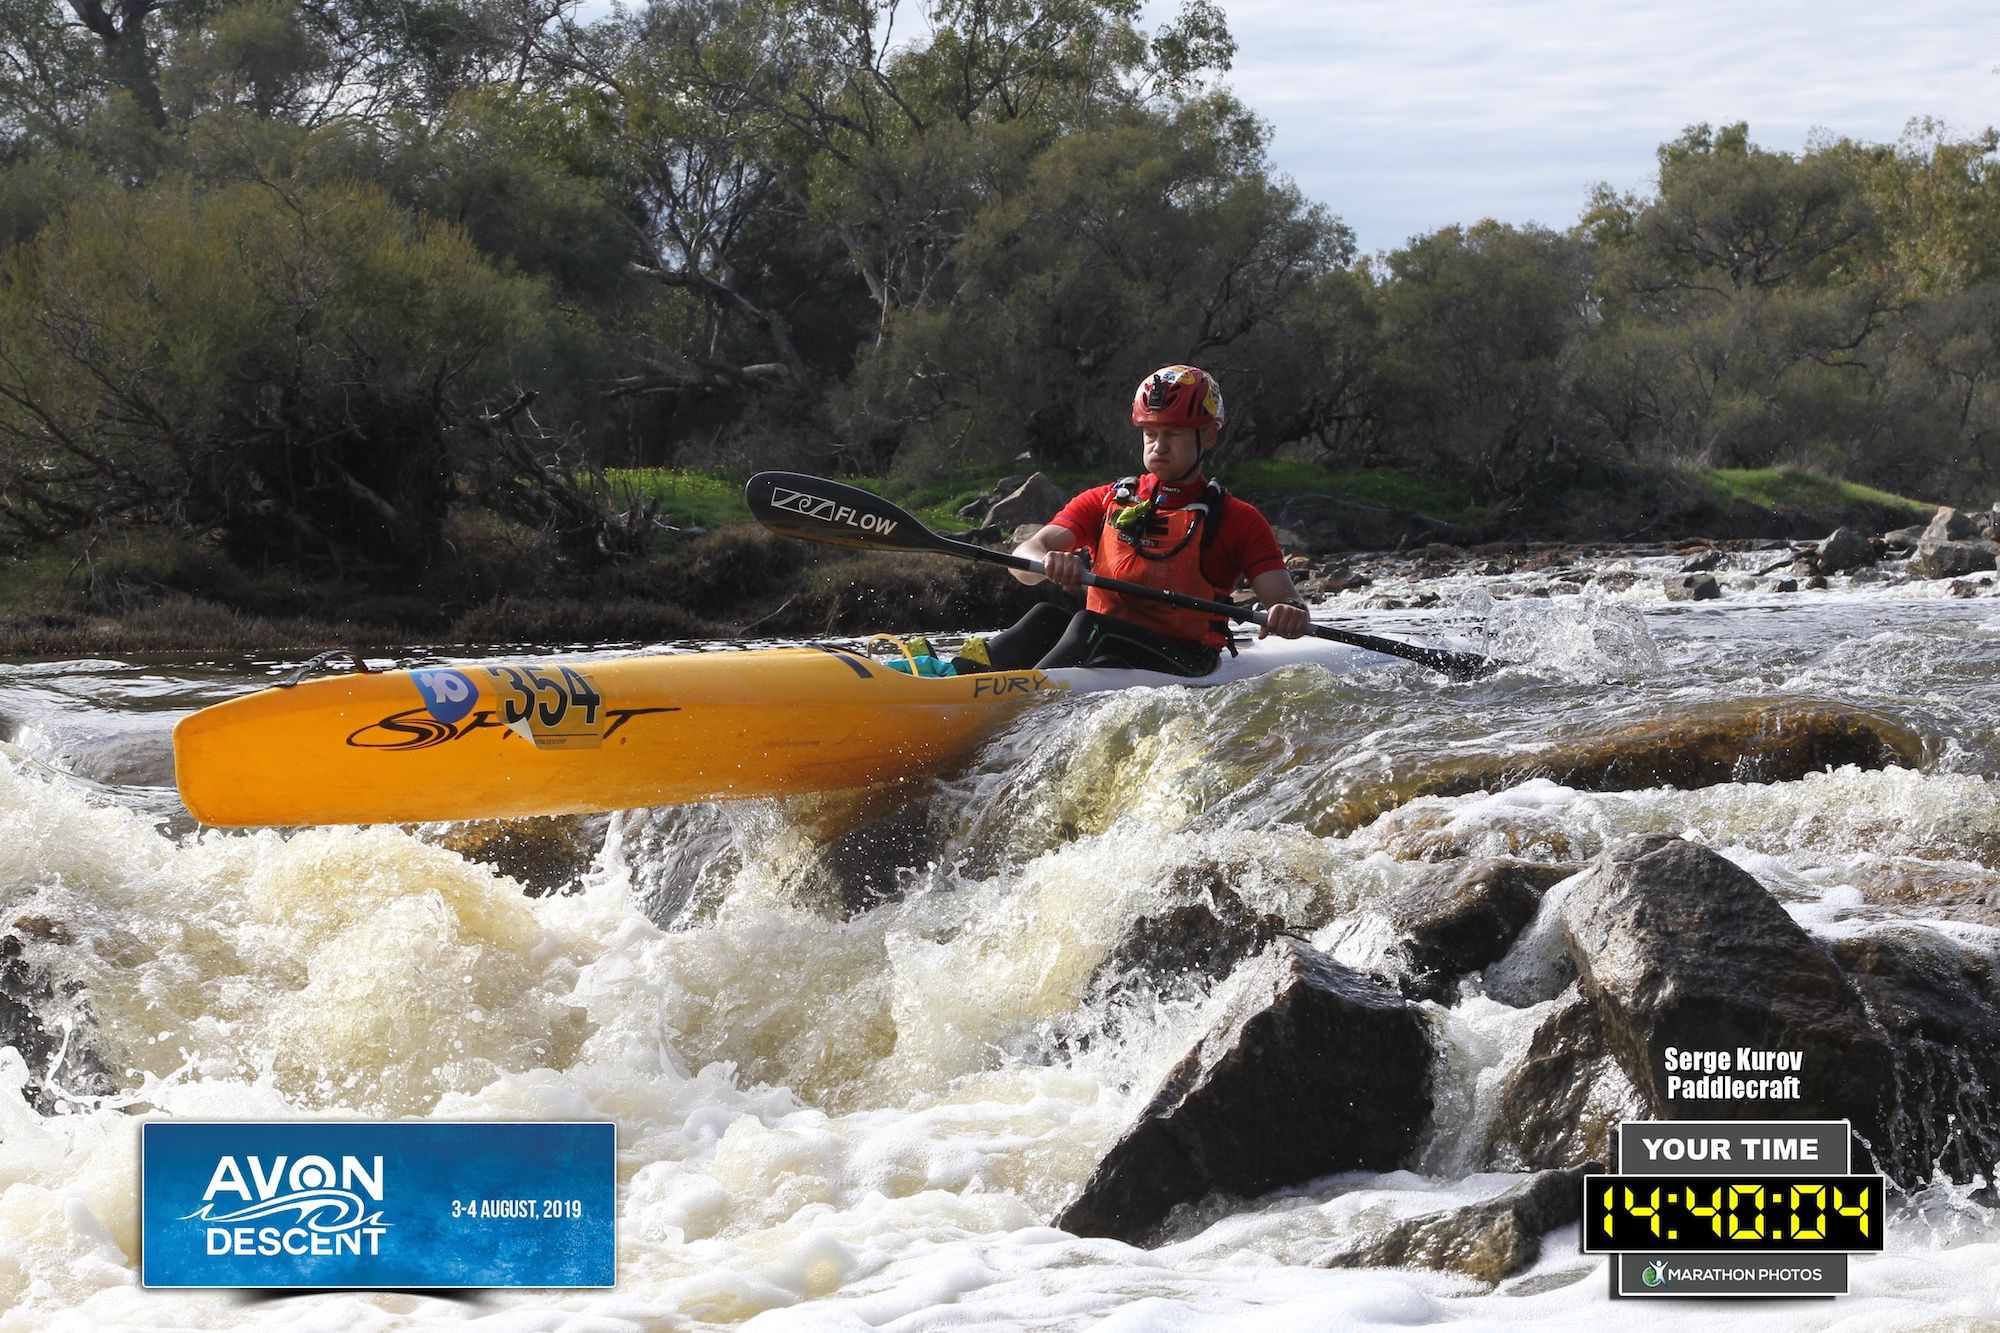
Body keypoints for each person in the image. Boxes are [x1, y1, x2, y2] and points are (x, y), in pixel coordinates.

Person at [952, 365, 1311, 677]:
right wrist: (1047, 561)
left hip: (1187, 659)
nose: (1159, 446)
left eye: (1173, 434)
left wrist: (1289, 613)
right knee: (1046, 616)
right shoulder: (1106, 499)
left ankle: (1017, 702)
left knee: (1092, 626)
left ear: (1209, 436)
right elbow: (1027, 554)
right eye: (1151, 434)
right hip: (1101, 644)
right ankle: (953, 678)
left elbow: (1286, 601)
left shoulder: (1238, 519)